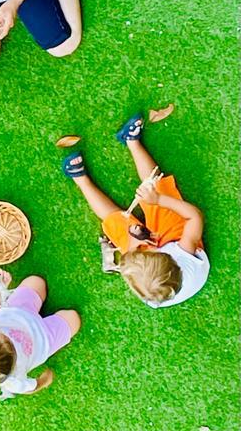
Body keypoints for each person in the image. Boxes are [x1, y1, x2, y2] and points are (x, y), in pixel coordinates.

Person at [62, 113, 208, 307]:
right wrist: (159, 200)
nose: (147, 246)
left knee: (117, 222)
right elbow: (194, 216)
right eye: (145, 250)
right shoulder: (186, 254)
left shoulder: (144, 279)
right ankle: (132, 141)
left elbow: (133, 258)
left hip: (167, 256)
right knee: (155, 189)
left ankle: (81, 180)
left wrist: (134, 240)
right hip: (176, 240)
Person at [0, 269, 81, 400]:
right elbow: (32, 387)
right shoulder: (14, 381)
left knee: (37, 282)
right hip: (43, 340)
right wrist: (44, 381)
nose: (3, 334)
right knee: (74, 318)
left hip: (18, 310)